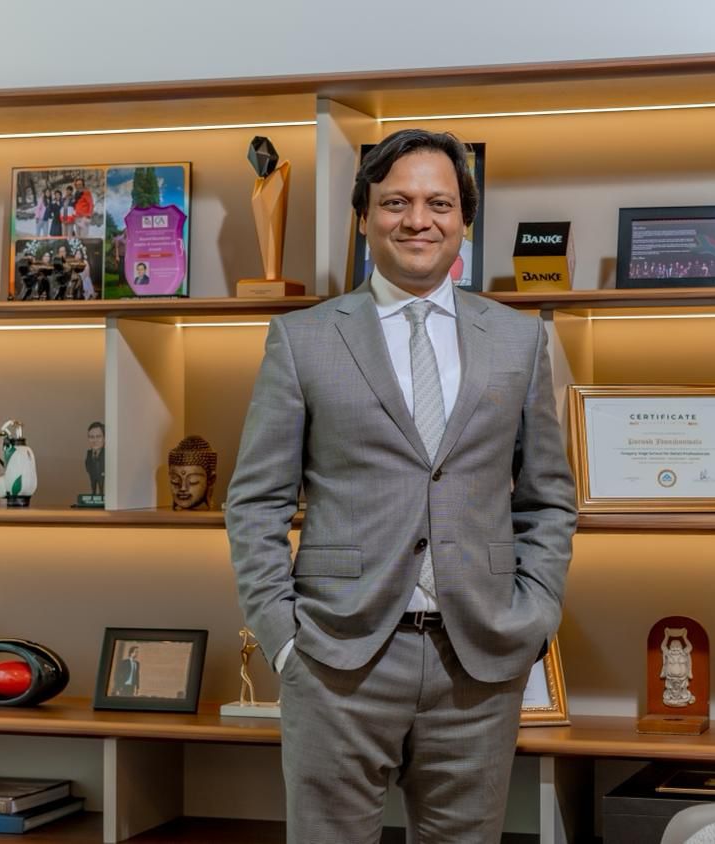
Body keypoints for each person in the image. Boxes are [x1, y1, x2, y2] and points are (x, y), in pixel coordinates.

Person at [226, 128, 576, 843]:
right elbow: (256, 501)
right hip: (337, 658)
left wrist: (535, 617)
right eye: (396, 202)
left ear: (464, 220)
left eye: (439, 203)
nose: (419, 220)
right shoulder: (302, 339)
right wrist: (284, 640)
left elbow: (547, 498)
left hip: (478, 663)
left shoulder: (519, 339)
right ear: (364, 217)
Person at [85, 422, 105, 496]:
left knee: (101, 488)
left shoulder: (108, 455)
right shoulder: (89, 453)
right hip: (92, 475)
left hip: (101, 476)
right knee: (93, 487)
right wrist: (89, 471)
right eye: (91, 437)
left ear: (104, 438)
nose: (95, 440)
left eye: (98, 436)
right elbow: (87, 463)